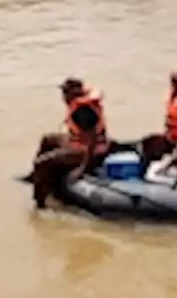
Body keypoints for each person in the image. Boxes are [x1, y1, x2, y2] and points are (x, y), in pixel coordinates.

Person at [28, 78, 113, 208]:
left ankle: (40, 204)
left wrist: (84, 167)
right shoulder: (80, 105)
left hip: (90, 150)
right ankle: (35, 177)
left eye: (65, 92)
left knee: (41, 163)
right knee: (48, 139)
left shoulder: (82, 110)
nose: (63, 96)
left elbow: (92, 139)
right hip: (80, 142)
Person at [138, 69, 177, 165]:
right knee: (148, 143)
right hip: (171, 137)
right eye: (174, 81)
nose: (175, 84)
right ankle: (144, 170)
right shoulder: (172, 95)